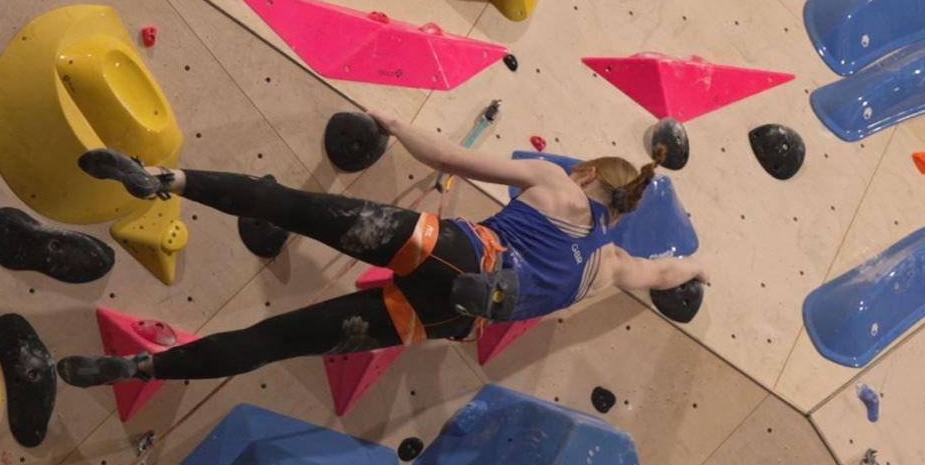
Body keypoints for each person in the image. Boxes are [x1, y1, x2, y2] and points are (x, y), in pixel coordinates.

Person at [56, 109, 709, 387]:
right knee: (276, 340)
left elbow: (452, 156)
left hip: (452, 249)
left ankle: (165, 179)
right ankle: (140, 371)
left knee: (294, 206)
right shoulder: (612, 263)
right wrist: (702, 266)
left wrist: (397, 126)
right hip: (441, 316)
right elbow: (665, 272)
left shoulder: (559, 185)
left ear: (592, 174)